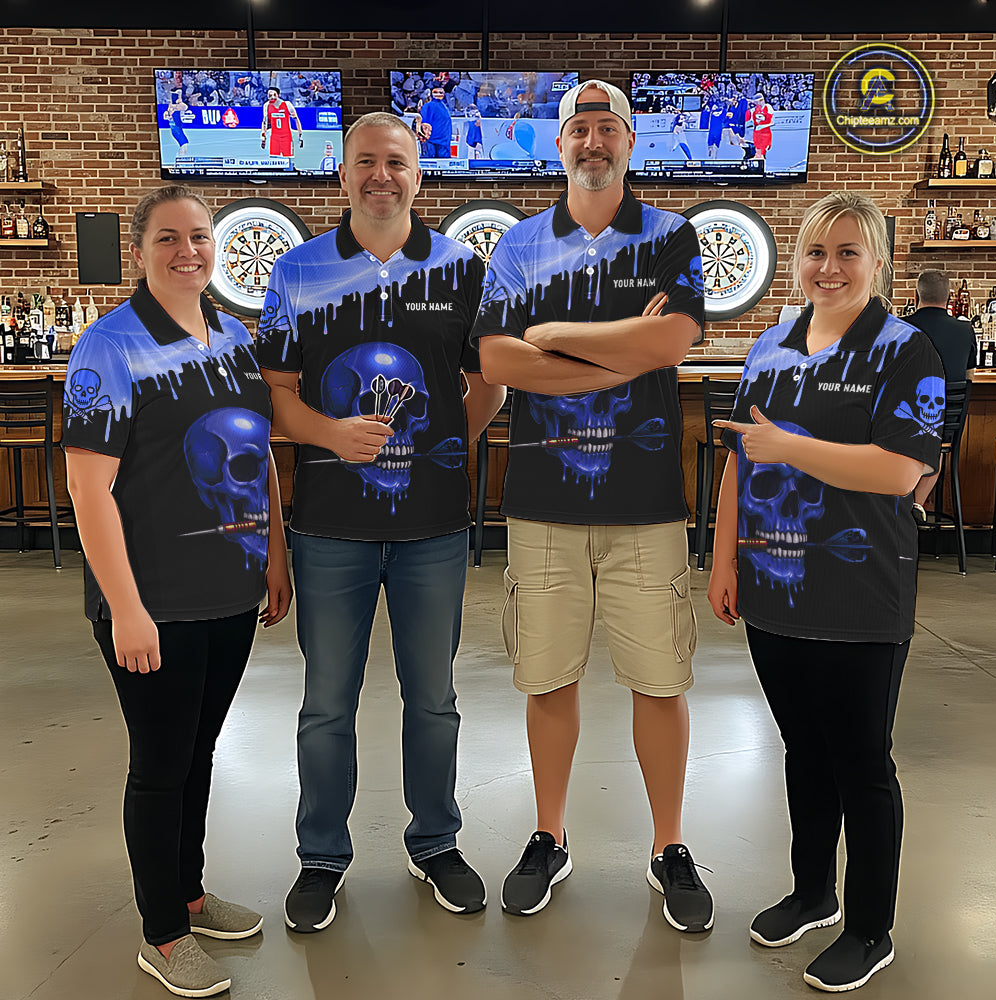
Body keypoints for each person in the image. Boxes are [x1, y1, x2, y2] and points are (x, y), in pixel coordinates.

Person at [472, 80, 713, 930]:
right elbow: (496, 361)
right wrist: (622, 355)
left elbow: (673, 338)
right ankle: (549, 834)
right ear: (560, 144)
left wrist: (554, 336)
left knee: (660, 681)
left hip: (647, 502)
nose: (593, 140)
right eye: (580, 127)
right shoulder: (519, 244)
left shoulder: (671, 235)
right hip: (542, 501)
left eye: (608, 126)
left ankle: (669, 845)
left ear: (630, 143)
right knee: (548, 678)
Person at [256, 112, 505, 932]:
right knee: (327, 703)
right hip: (329, 528)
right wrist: (333, 435)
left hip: (433, 528)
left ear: (418, 175)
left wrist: (444, 447)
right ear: (341, 174)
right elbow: (275, 395)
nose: (380, 175)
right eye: (365, 161)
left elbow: (488, 383)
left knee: (432, 698)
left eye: (396, 161)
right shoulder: (298, 270)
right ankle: (321, 856)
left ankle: (436, 842)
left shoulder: (462, 270)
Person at [708, 192, 945, 993]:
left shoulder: (906, 352)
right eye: (816, 251)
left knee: (861, 763)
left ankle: (869, 928)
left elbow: (900, 470)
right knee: (803, 751)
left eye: (849, 252)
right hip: (775, 592)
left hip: (860, 596)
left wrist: (792, 449)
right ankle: (813, 892)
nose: (830, 268)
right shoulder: (770, 346)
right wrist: (723, 560)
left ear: (880, 263)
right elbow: (740, 460)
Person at [63, 185, 292, 997]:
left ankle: (189, 893)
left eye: (198, 237)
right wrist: (126, 607)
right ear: (138, 252)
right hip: (153, 601)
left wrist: (274, 554)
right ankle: (162, 933)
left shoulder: (233, 337)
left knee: (200, 752)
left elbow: (259, 447)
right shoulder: (109, 346)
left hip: (229, 592)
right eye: (168, 238)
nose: (187, 251)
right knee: (160, 766)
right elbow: (89, 490)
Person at [904, 269, 976, 521]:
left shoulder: (900, 327)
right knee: (935, 441)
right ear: (949, 298)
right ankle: (916, 503)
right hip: (945, 428)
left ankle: (898, 507)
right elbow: (969, 377)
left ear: (916, 295)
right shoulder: (965, 330)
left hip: (902, 427)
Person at [261, 86, 303, 158]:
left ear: (278, 95)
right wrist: (263, 136)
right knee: (273, 158)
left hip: (286, 136)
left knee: (288, 157)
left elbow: (296, 119)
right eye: (270, 95)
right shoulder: (266, 105)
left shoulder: (287, 104)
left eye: (274, 95)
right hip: (274, 137)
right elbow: (265, 121)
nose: (272, 97)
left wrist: (300, 134)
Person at [417, 85, 452, 158]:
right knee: (444, 163)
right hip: (444, 140)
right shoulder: (444, 107)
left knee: (428, 162)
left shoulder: (427, 106)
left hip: (431, 141)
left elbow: (423, 123)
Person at [746, 92, 774, 163]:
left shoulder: (768, 107)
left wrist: (762, 126)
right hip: (756, 133)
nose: (756, 104)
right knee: (757, 150)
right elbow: (750, 120)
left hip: (765, 132)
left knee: (763, 150)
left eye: (757, 102)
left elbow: (771, 121)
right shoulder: (755, 110)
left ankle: (762, 163)